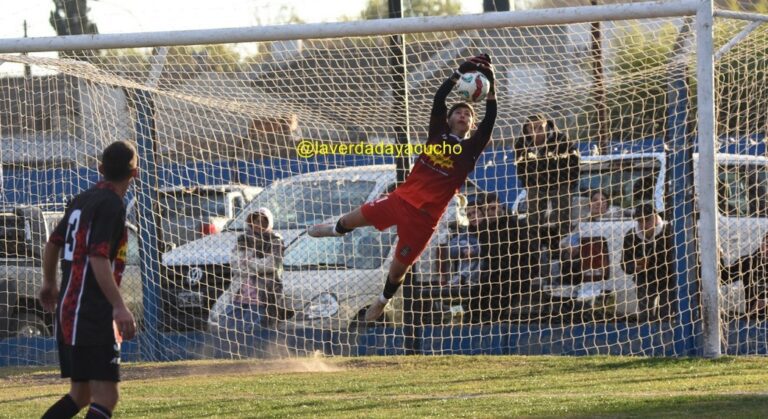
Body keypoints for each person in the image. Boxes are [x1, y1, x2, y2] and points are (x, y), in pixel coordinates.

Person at [308, 53, 497, 322]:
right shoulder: (437, 133)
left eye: (468, 113)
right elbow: (439, 98)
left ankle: (382, 301)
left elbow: (490, 119)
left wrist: (491, 81)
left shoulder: (470, 150)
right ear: (450, 118)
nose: (463, 115)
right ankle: (336, 229)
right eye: (458, 111)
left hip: (424, 219)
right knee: (352, 219)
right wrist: (459, 71)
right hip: (400, 199)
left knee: (398, 270)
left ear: (472, 124)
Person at [39, 141, 138, 419]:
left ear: (101, 169)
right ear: (135, 173)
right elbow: (98, 257)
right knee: (107, 396)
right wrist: (119, 306)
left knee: (80, 395)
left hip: (69, 312)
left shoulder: (82, 200)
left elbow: (52, 243)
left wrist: (49, 283)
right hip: (92, 313)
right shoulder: (112, 205)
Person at [221, 208, 288, 356]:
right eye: (256, 221)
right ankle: (231, 354)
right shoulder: (243, 239)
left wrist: (250, 262)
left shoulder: (275, 239)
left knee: (254, 324)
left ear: (268, 223)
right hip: (242, 290)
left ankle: (256, 353)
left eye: (263, 221)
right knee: (229, 322)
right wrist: (253, 265)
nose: (258, 224)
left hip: (264, 291)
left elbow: (271, 264)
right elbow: (235, 262)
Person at [514, 115, 580, 239]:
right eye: (532, 128)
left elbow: (574, 162)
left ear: (547, 126)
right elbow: (520, 167)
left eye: (540, 127)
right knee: (533, 218)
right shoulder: (521, 144)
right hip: (537, 184)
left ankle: (565, 243)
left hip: (560, 182)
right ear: (526, 129)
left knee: (562, 213)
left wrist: (569, 183)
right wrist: (528, 184)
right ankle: (533, 246)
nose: (536, 131)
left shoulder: (561, 139)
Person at [621, 204, 676, 322]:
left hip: (668, 280)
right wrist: (635, 266)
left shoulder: (669, 232)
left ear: (656, 217)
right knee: (645, 316)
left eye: (648, 219)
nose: (644, 224)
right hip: (644, 280)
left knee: (666, 315)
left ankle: (666, 337)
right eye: (640, 221)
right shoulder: (631, 236)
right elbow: (624, 264)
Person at [723, 233, 768, 319]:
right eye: (767, 245)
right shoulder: (748, 263)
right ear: (761, 245)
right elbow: (723, 278)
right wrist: (718, 257)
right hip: (755, 320)